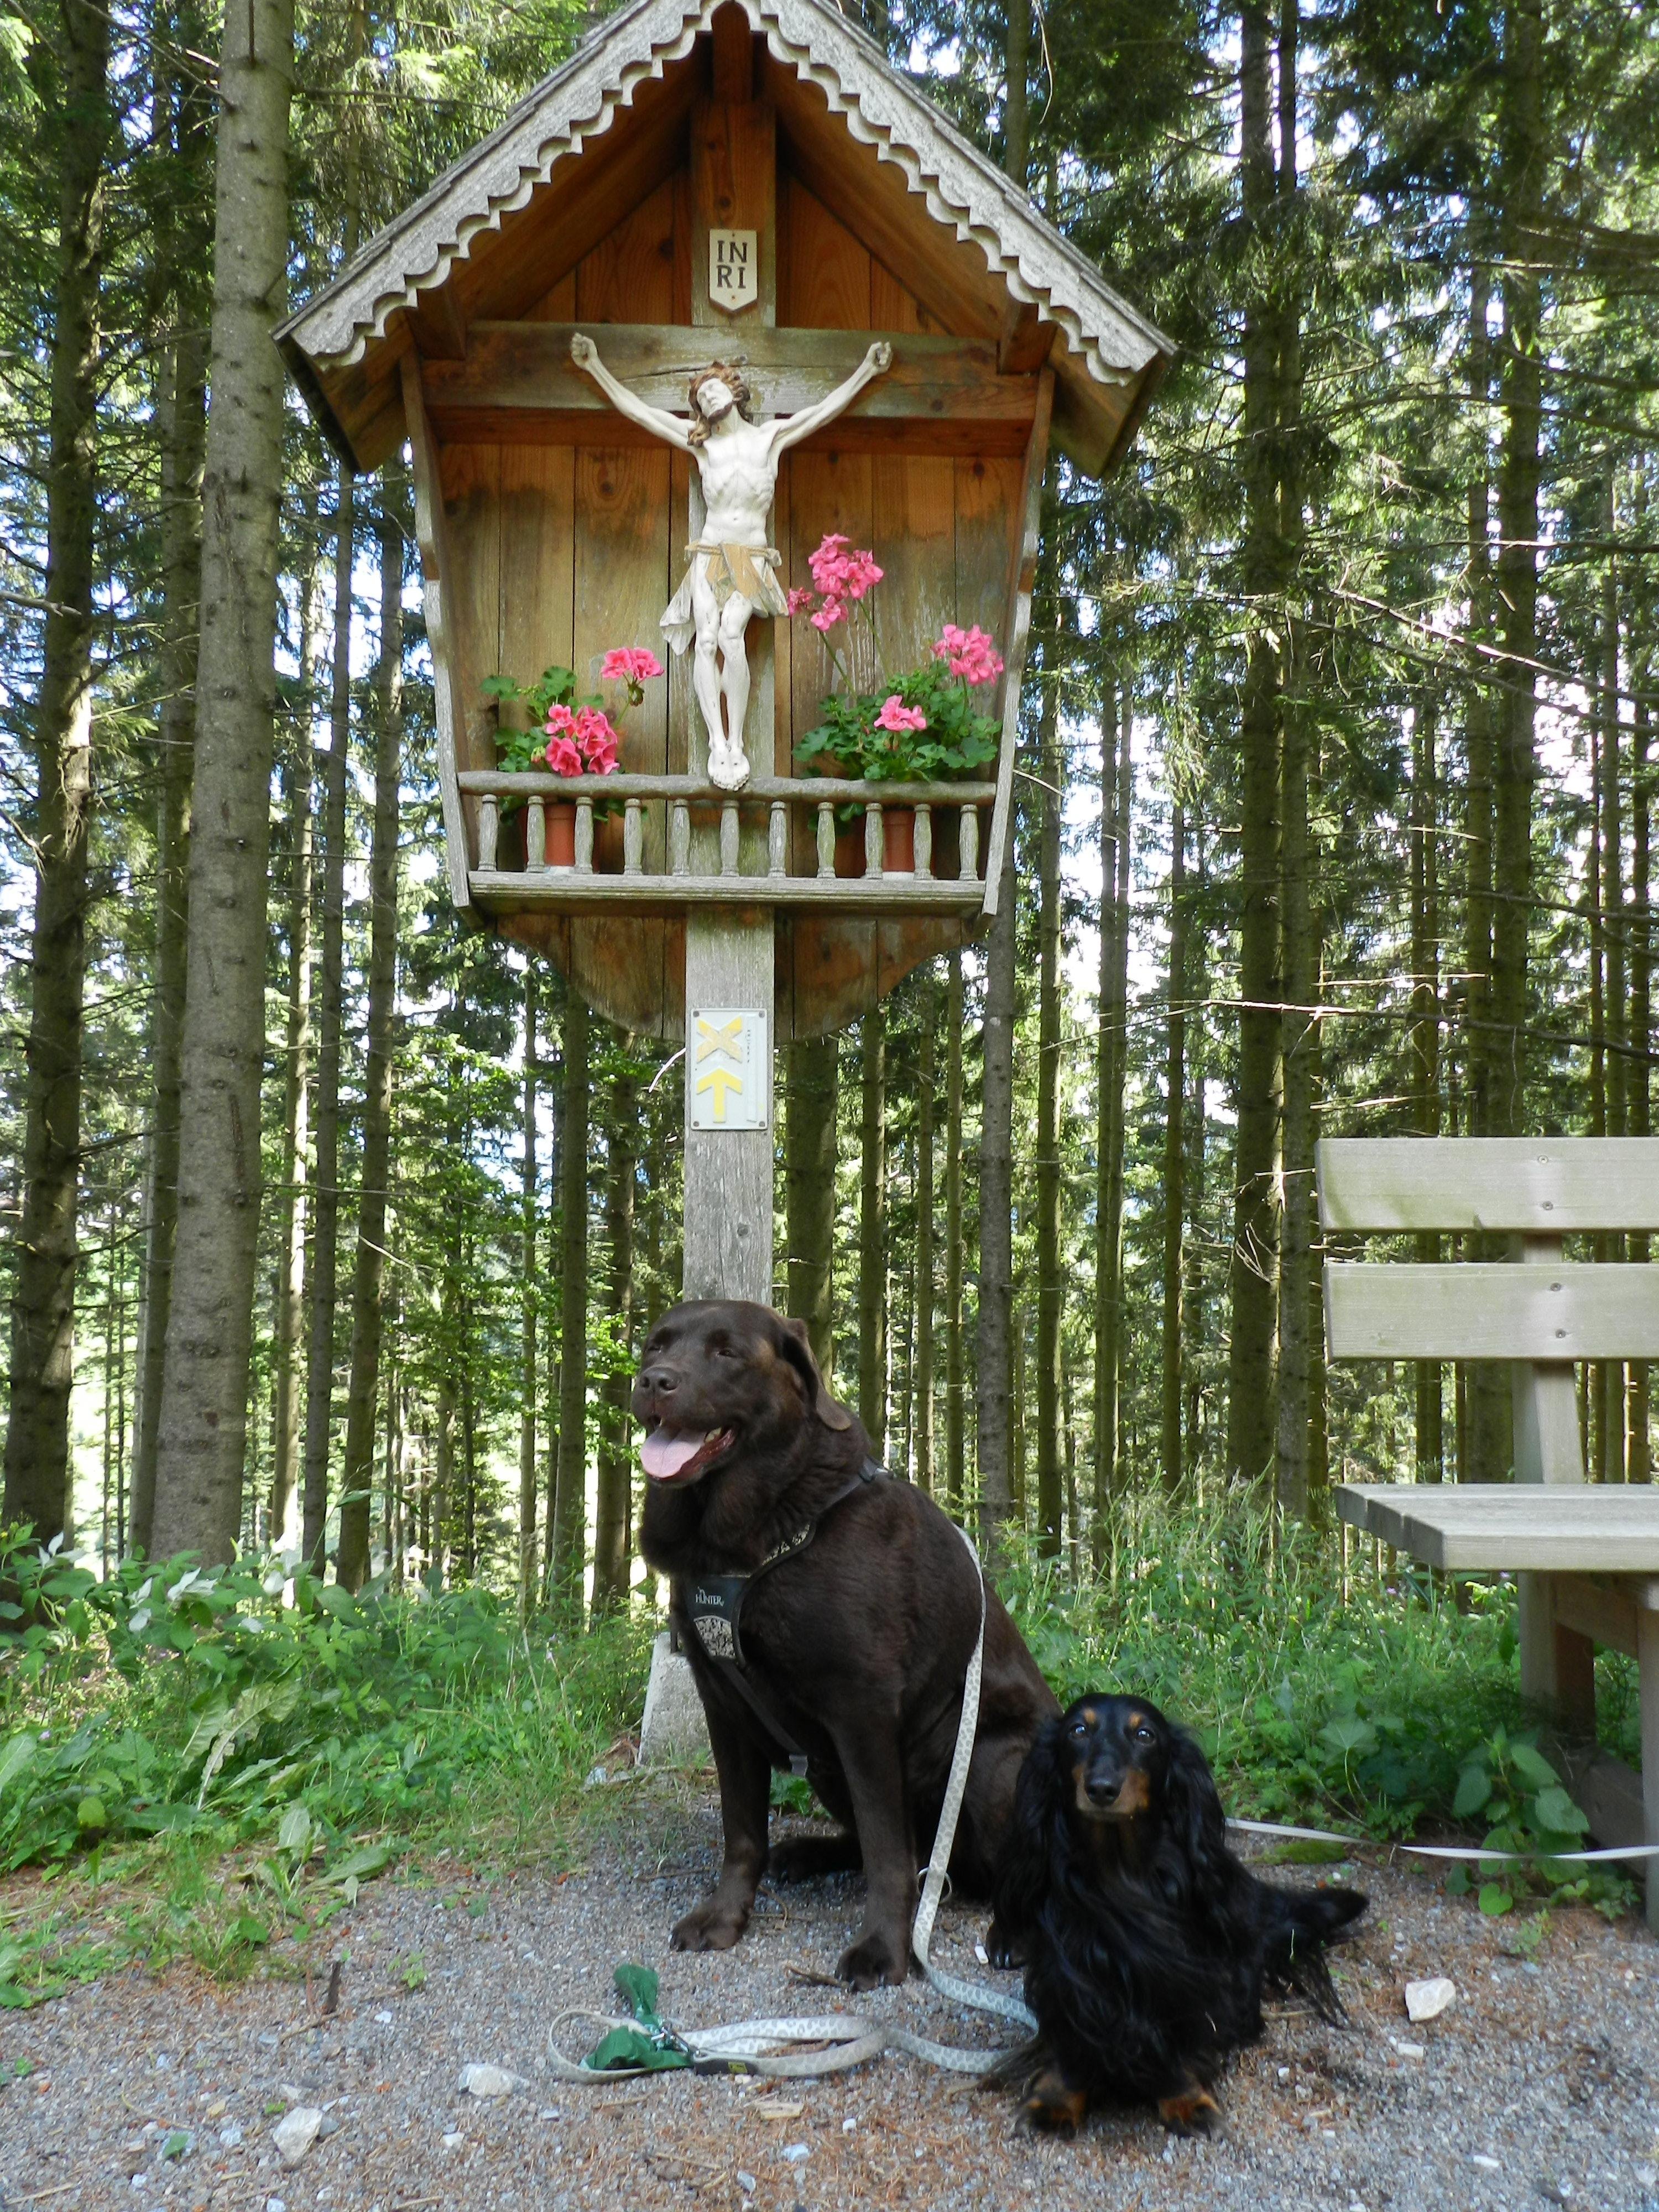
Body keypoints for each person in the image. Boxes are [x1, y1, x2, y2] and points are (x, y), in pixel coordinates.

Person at [570, 333, 893, 790]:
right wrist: (595, 366)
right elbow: (641, 413)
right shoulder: (703, 446)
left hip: (747, 555)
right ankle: (716, 744)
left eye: (713, 388)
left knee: (730, 634)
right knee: (705, 641)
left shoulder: (770, 438)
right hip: (710, 551)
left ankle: (736, 742)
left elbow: (823, 410)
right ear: (700, 410)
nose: (708, 396)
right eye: (701, 396)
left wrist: (868, 369)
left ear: (732, 391)